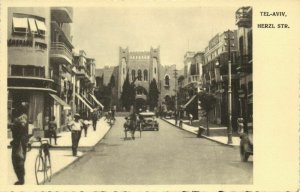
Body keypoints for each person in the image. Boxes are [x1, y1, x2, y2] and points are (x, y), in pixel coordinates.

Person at [10, 102, 29, 185]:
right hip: (19, 140)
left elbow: (22, 126)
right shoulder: (20, 117)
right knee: (18, 159)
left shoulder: (22, 117)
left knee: (18, 160)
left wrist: (14, 125)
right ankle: (21, 178)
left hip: (20, 141)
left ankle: (21, 179)